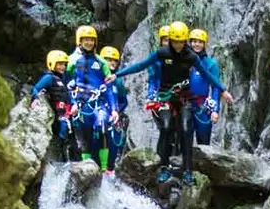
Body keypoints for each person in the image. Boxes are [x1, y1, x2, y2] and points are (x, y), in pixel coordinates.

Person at [116, 21, 188, 183]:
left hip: (178, 98)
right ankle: (162, 163)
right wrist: (153, 96)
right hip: (160, 98)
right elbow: (152, 78)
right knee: (166, 127)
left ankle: (174, 162)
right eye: (165, 39)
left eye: (170, 39)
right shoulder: (157, 59)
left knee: (178, 130)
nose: (167, 43)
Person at [178, 27, 231, 185]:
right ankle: (185, 169)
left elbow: (214, 88)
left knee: (203, 139)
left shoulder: (211, 64)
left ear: (204, 44)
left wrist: (215, 110)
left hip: (202, 105)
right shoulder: (184, 61)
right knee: (185, 134)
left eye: (200, 42)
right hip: (186, 102)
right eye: (194, 41)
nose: (196, 44)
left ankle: (203, 176)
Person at [64, 24, 111, 166]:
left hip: (98, 101)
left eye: (92, 40)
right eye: (86, 40)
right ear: (80, 40)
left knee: (102, 128)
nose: (89, 42)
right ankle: (86, 167)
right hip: (80, 102)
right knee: (84, 136)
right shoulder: (71, 60)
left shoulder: (101, 61)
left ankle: (104, 168)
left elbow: (108, 81)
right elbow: (66, 79)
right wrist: (71, 101)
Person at [27, 49, 74, 161]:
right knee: (61, 132)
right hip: (57, 114)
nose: (62, 67)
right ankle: (58, 157)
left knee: (67, 133)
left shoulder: (62, 80)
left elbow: (67, 95)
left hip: (65, 112)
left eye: (64, 64)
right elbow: (36, 88)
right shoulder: (49, 78)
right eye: (59, 64)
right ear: (52, 64)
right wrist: (35, 98)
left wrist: (74, 104)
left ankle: (64, 157)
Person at [99, 45, 128, 174]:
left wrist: (117, 111)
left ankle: (112, 166)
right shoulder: (97, 78)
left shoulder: (118, 81)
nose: (112, 63)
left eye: (114, 61)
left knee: (116, 139)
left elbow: (123, 100)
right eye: (108, 59)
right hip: (99, 112)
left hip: (115, 114)